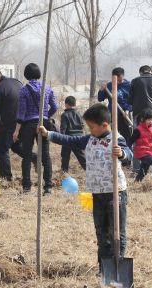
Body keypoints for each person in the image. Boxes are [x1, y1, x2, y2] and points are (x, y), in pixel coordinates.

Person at [38, 103, 132, 274]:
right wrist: (49, 134)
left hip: (115, 193)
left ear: (104, 125)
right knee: (101, 233)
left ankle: (117, 266)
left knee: (116, 233)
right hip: (97, 193)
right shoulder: (89, 139)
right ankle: (104, 269)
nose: (89, 130)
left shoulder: (116, 139)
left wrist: (122, 153)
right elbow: (70, 140)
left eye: (91, 127)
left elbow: (129, 156)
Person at [0, 68, 36, 181]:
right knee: (16, 146)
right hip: (24, 122)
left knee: (2, 149)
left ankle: (6, 178)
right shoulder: (18, 82)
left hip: (8, 124)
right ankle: (35, 157)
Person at [14, 63, 57, 195]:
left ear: (26, 75)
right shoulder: (47, 88)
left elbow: (21, 113)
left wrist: (16, 131)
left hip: (28, 126)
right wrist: (45, 116)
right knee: (46, 156)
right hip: (43, 125)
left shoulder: (24, 90)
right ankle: (48, 187)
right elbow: (54, 107)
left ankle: (27, 187)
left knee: (26, 156)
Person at [128, 65, 152, 172]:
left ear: (140, 72)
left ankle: (136, 169)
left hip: (138, 114)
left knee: (137, 140)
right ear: (151, 72)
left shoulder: (134, 81)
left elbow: (130, 100)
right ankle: (150, 168)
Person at [97, 67, 133, 145]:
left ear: (123, 76)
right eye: (116, 80)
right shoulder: (109, 86)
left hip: (124, 115)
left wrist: (128, 109)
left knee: (126, 135)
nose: (118, 82)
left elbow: (132, 101)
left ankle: (126, 152)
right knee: (112, 135)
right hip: (112, 114)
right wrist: (101, 90)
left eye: (120, 80)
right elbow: (100, 98)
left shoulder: (129, 85)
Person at [60, 96, 86, 173]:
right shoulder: (79, 113)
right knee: (82, 157)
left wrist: (61, 139)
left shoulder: (64, 115)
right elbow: (82, 125)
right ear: (74, 104)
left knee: (65, 156)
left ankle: (64, 172)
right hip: (79, 138)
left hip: (68, 138)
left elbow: (63, 129)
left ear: (66, 104)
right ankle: (90, 171)